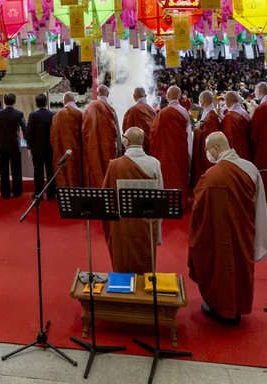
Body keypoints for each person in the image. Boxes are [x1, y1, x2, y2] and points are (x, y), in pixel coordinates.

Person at [189, 132, 267, 326]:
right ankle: (238, 307)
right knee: (240, 266)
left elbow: (199, 209)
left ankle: (221, 307)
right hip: (244, 231)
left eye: (207, 150)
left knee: (221, 266)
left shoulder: (212, 175)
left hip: (219, 232)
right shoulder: (250, 168)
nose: (207, 153)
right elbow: (259, 203)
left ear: (215, 149)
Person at [101, 127, 163, 274]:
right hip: (145, 222)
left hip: (122, 223)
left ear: (126, 142)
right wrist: (157, 230)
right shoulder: (154, 163)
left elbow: (106, 197)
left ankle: (123, 284)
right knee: (144, 258)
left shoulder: (115, 165)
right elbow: (160, 197)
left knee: (123, 258)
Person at [149, 86, 193, 200]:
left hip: (165, 153)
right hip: (180, 152)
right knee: (179, 176)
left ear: (167, 96)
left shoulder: (162, 113)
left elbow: (153, 134)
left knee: (166, 177)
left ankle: (166, 202)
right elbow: (189, 137)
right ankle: (181, 201)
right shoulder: (184, 112)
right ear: (179, 96)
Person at [82, 85, 121, 188]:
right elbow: (117, 132)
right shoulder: (111, 109)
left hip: (92, 146)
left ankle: (98, 192)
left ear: (96, 94)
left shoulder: (90, 107)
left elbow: (84, 130)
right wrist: (120, 152)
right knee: (109, 172)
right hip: (109, 147)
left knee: (96, 171)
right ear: (108, 94)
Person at [0, 93, 26, 199]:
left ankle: (5, 193)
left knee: (3, 170)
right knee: (16, 170)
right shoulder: (19, 114)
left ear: (4, 101)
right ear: (15, 102)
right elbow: (25, 130)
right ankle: (17, 192)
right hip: (15, 145)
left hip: (1, 145)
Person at [50, 92, 84, 187]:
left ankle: (67, 189)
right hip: (79, 149)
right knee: (79, 171)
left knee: (67, 170)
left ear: (64, 101)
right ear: (74, 100)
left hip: (64, 150)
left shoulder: (58, 115)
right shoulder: (82, 113)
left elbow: (54, 137)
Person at [25, 93, 54, 199]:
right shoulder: (52, 115)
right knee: (50, 171)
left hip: (37, 148)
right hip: (50, 148)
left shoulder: (33, 115)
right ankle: (51, 193)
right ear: (47, 103)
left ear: (36, 104)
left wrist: (29, 146)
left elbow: (29, 133)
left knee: (38, 172)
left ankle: (39, 193)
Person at [191, 91, 221, 189]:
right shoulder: (207, 113)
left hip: (208, 153)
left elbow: (210, 137)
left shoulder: (211, 116)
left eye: (199, 100)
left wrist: (196, 131)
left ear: (202, 100)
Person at [122, 87, 155, 154]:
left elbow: (126, 131)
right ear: (145, 96)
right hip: (151, 146)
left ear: (134, 96)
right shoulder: (152, 110)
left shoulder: (132, 110)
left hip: (137, 148)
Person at [220, 91, 251, 161]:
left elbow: (226, 135)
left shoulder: (229, 116)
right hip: (246, 148)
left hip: (234, 152)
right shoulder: (245, 113)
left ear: (227, 101)